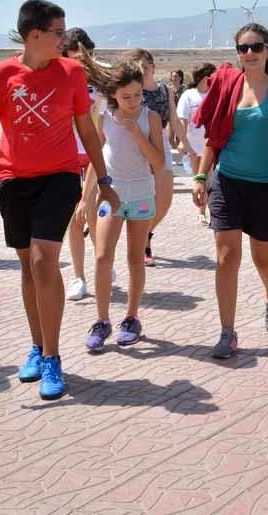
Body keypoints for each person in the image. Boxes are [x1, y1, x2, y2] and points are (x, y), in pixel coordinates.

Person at [0, 0, 119, 400]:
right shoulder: (0, 78)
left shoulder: (72, 73)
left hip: (59, 177)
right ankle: (38, 347)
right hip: (15, 180)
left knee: (45, 260)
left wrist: (105, 179)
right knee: (28, 266)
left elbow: (87, 129)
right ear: (35, 35)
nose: (65, 39)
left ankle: (55, 359)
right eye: (59, 32)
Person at [192, 23, 268, 358]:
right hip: (228, 181)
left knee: (263, 260)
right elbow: (215, 136)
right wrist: (200, 176)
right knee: (226, 257)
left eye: (256, 46)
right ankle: (227, 331)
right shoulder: (227, 85)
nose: (249, 53)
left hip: (265, 186)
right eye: (243, 48)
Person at [76, 54, 163, 351]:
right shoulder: (103, 114)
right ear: (113, 93)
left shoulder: (149, 117)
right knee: (102, 257)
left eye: (138, 95)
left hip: (141, 194)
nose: (133, 101)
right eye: (126, 96)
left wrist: (137, 133)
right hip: (111, 195)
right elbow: (96, 157)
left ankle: (131, 318)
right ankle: (101, 321)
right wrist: (86, 196)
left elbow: (159, 163)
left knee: (135, 258)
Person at [124, 48, 191, 266]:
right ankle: (142, 244)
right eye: (138, 68)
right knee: (144, 197)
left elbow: (174, 119)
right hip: (136, 144)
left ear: (153, 67)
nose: (142, 71)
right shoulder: (131, 92)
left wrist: (187, 144)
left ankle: (146, 233)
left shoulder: (165, 90)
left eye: (145, 67)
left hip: (159, 142)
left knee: (164, 200)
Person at [62, 28, 102, 301]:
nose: (78, 62)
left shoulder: (101, 81)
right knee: (73, 219)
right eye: (72, 56)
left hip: (95, 155)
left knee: (95, 215)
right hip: (65, 155)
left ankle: (103, 262)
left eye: (83, 56)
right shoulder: (58, 78)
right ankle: (79, 276)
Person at [176, 62, 215, 225]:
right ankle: (201, 211)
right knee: (199, 179)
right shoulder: (189, 95)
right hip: (194, 147)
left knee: (211, 179)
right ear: (206, 78)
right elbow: (182, 119)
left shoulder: (215, 95)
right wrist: (182, 141)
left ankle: (209, 212)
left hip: (212, 145)